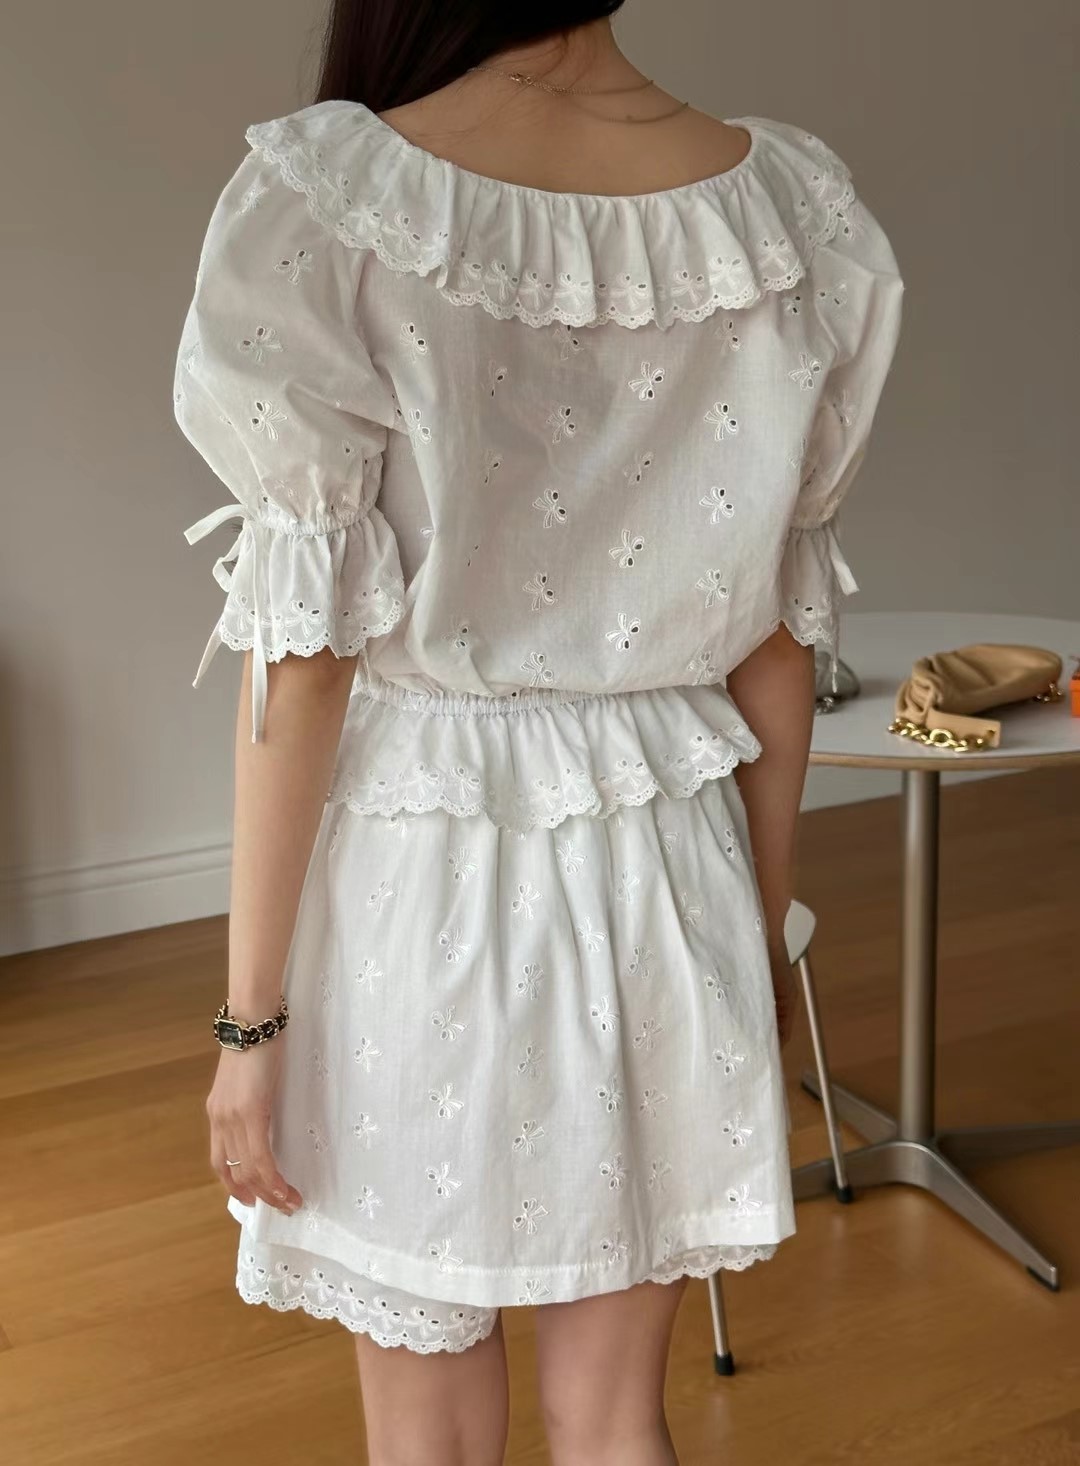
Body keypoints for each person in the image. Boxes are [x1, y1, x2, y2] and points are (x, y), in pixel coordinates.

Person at [172, 3, 903, 1462]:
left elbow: (302, 670)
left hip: (424, 874)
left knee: (429, 1434)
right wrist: (756, 936)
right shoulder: (790, 211)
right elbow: (775, 648)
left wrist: (249, 1026)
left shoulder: (333, 195)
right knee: (618, 1421)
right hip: (669, 855)